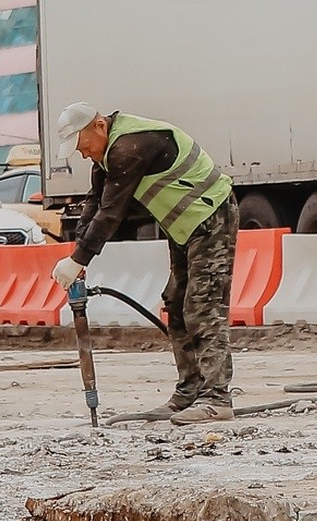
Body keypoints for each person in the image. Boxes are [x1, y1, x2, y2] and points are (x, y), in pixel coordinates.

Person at [52, 102, 239, 425]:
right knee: (176, 304)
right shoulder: (106, 154)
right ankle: (190, 391)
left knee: (202, 306)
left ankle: (216, 398)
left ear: (100, 126)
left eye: (83, 146)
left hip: (212, 218)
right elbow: (95, 202)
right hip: (185, 226)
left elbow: (112, 212)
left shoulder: (130, 148)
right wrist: (76, 257)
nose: (84, 155)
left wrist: (79, 258)